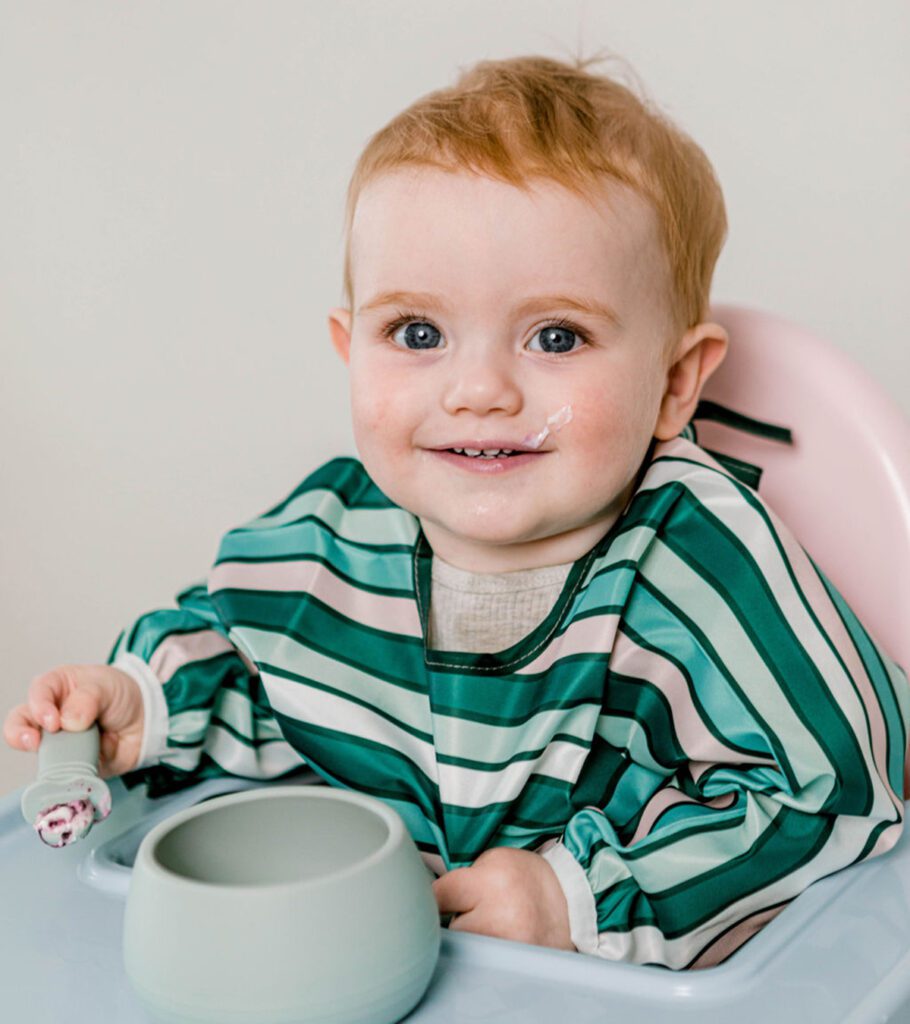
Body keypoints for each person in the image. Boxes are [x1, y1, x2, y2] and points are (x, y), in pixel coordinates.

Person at [4, 52, 908, 970]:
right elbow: (265, 674)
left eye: (556, 336)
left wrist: (573, 896)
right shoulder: (337, 532)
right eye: (417, 333)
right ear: (349, 348)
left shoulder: (704, 562)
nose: (478, 389)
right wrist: (147, 706)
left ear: (675, 383)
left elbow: (833, 790)